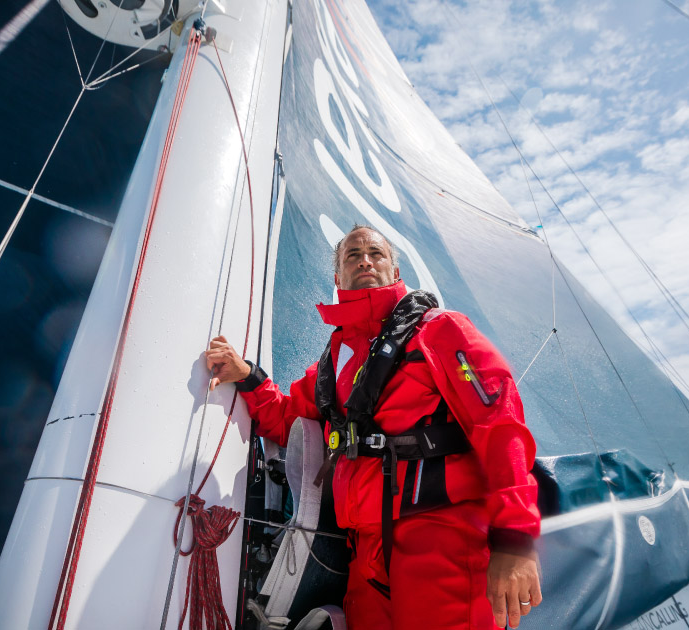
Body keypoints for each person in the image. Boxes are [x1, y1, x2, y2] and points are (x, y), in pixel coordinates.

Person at [207, 225, 542, 629]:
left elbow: (500, 425)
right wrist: (247, 376)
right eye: (352, 255)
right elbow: (284, 419)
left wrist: (516, 540)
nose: (364, 260)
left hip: (442, 536)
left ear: (394, 269)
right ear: (337, 278)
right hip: (363, 555)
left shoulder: (439, 330)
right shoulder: (332, 365)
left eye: (375, 253)